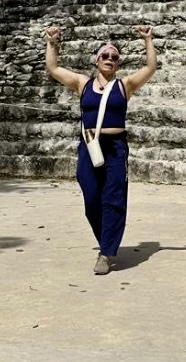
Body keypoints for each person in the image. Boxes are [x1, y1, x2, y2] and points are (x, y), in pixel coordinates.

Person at [44, 24, 157, 275]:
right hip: (89, 146)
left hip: (115, 148)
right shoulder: (82, 84)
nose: (110, 59)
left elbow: (150, 68)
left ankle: (106, 253)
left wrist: (148, 40)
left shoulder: (124, 86)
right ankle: (107, 240)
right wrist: (52, 43)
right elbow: (53, 68)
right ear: (97, 61)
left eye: (114, 57)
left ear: (118, 64)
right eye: (105, 56)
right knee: (92, 199)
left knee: (113, 199)